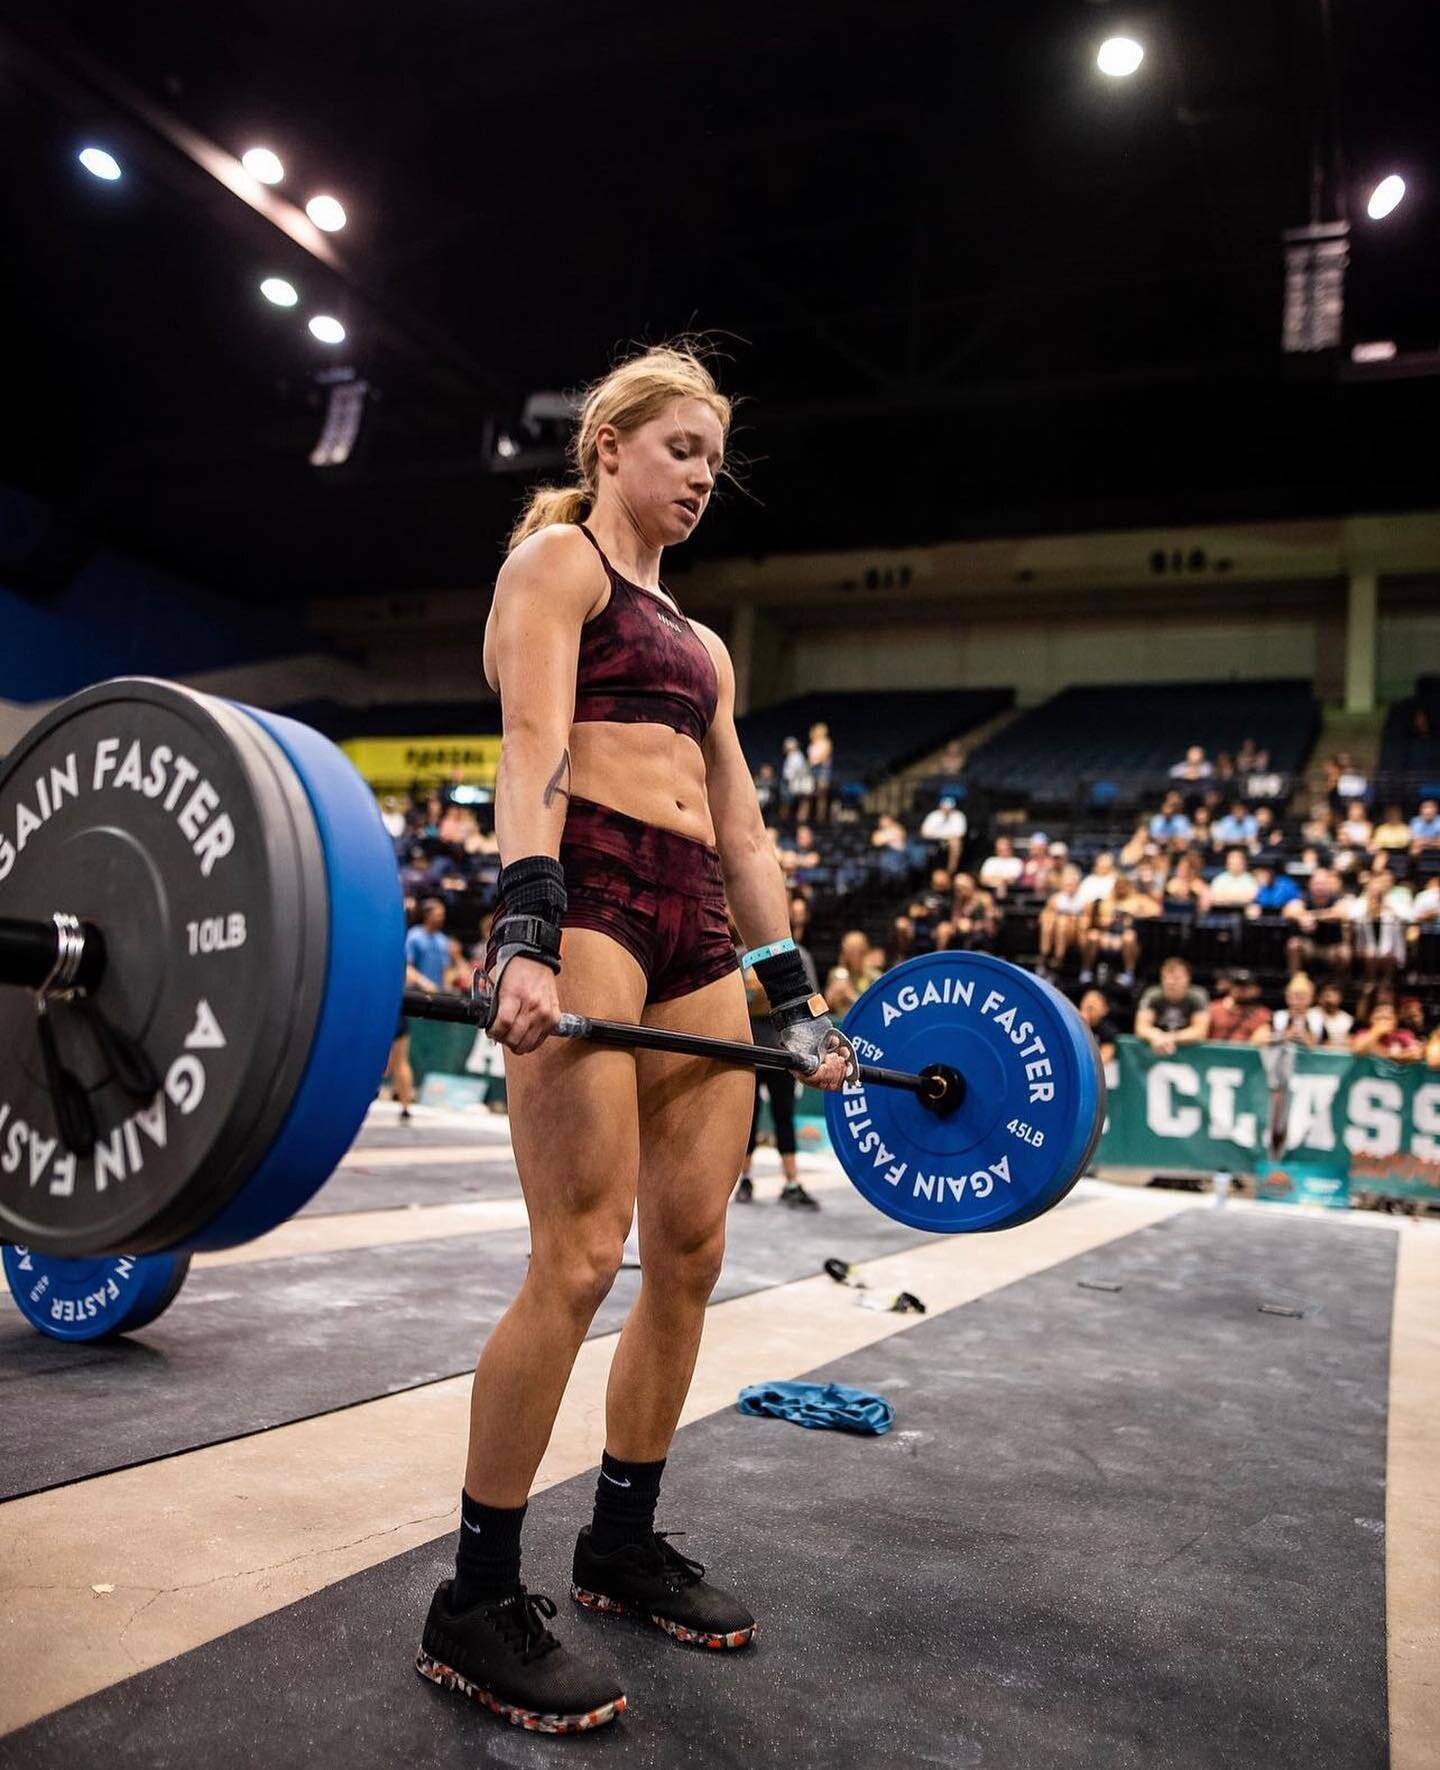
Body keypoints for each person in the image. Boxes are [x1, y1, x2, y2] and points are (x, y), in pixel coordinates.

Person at [419, 345, 854, 1731]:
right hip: (591, 887)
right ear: (608, 446)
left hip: (695, 925)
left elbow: (741, 827)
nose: (701, 477)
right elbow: (532, 738)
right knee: (580, 1252)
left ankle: (619, 1538)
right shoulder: (556, 570)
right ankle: (477, 1592)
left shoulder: (710, 646)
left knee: (692, 1248)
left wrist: (798, 1004)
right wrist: (527, 930)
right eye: (680, 448)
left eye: (714, 462)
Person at [734, 937, 822, 1209]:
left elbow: (810, 998)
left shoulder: (797, 955)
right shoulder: (735, 956)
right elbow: (727, 1002)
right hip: (747, 1046)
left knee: (784, 1114)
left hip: (783, 1049)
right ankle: (745, 1179)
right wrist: (751, 994)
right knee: (748, 1116)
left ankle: (792, 1182)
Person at [1134, 957, 1210, 1055]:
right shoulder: (1152, 994)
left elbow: (1200, 1032)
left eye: (1176, 978)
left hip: (1189, 1051)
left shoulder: (1198, 996)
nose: (1170, 982)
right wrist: (1156, 1036)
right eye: (1166, 977)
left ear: (1188, 978)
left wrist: (1170, 1038)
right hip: (1156, 1047)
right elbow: (1141, 1027)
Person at [823, 930, 883, 1019]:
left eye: (856, 951)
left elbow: (876, 1009)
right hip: (840, 1022)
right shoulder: (836, 973)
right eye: (848, 951)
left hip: (863, 1021)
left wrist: (850, 994)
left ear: (864, 951)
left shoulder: (874, 976)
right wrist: (831, 994)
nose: (852, 955)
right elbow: (827, 1007)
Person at [1206, 970, 1272, 1044]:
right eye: (1238, 985)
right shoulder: (1213, 1008)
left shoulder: (1262, 1014)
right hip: (1214, 1053)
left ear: (1257, 990)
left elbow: (1260, 1040)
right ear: (1230, 987)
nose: (1242, 990)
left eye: (1247, 986)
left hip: (1245, 1054)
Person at [405, 898, 452, 996]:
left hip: (438, 993)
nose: (442, 918)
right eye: (438, 915)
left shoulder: (443, 940)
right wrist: (424, 983)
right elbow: (407, 967)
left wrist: (447, 988)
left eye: (443, 915)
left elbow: (446, 969)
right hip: (418, 993)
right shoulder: (414, 936)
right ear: (427, 915)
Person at [919, 794, 967, 874]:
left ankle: (951, 871)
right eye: (945, 807)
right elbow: (924, 833)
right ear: (940, 806)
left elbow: (960, 833)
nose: (947, 810)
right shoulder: (933, 815)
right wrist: (941, 837)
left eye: (949, 808)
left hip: (949, 841)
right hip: (933, 840)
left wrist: (945, 837)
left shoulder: (958, 816)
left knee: (956, 843)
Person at [1077, 988, 1120, 1065]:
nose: (1088, 1010)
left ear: (1104, 1009)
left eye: (1091, 1007)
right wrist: (1081, 1026)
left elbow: (1104, 1056)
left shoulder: (1107, 1029)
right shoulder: (1074, 1025)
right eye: (1085, 1005)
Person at [806, 721, 834, 825]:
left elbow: (824, 756)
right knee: (809, 795)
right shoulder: (813, 743)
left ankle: (820, 819)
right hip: (812, 771)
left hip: (822, 771)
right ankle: (808, 819)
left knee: (821, 795)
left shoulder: (826, 742)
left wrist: (814, 761)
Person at [978, 833, 1023, 898]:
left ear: (1010, 846)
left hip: (1011, 893)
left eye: (1004, 844)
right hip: (988, 893)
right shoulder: (990, 861)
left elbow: (1013, 880)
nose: (1002, 846)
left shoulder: (1016, 861)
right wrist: (1000, 881)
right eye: (1000, 844)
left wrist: (997, 880)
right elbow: (983, 879)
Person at [779, 736, 811, 824]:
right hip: (789, 781)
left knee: (797, 802)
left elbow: (796, 771)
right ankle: (784, 820)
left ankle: (798, 821)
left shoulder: (797, 756)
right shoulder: (791, 756)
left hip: (794, 782)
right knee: (786, 802)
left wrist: (792, 781)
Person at [1316, 981, 1353, 1048]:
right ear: (1320, 998)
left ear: (1340, 998)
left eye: (1334, 994)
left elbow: (1349, 1043)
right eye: (1327, 995)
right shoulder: (1311, 1015)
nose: (1330, 999)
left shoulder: (1347, 1019)